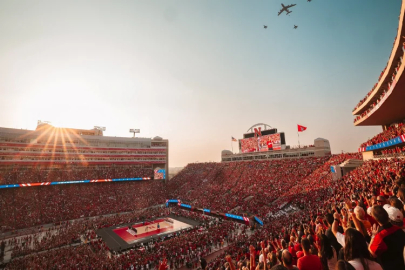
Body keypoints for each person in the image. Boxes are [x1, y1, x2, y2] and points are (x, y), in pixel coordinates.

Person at [369, 205, 405, 270]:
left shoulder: (380, 237)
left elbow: (371, 254)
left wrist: (373, 236)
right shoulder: (398, 229)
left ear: (375, 218)